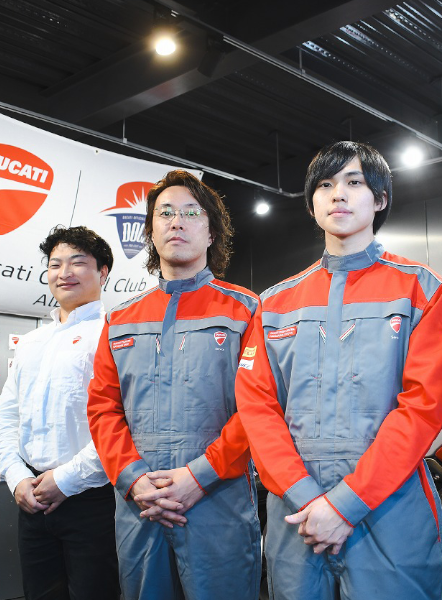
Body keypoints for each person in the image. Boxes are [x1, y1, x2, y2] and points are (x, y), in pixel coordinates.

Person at [235, 141, 442, 600]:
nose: (338, 195)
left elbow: (423, 408)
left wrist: (346, 504)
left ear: (380, 199)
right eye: (325, 185)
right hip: (297, 513)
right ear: (312, 204)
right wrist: (308, 498)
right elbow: (257, 408)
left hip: (391, 507)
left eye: (354, 182)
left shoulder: (422, 289)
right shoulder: (274, 303)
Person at [87, 170, 261, 600]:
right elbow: (103, 409)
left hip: (218, 500)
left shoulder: (246, 310)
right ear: (150, 231)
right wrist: (134, 480)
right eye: (165, 213)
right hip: (140, 505)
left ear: (211, 232)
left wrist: (198, 477)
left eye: (190, 213)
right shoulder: (119, 319)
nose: (176, 222)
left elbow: (258, 409)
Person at [0, 225, 119, 600]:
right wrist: (17, 477)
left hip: (93, 499)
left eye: (78, 262)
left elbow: (123, 423)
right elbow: (8, 415)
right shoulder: (32, 342)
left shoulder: (114, 334)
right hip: (31, 498)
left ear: (102, 272)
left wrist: (66, 480)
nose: (64, 272)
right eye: (55, 264)